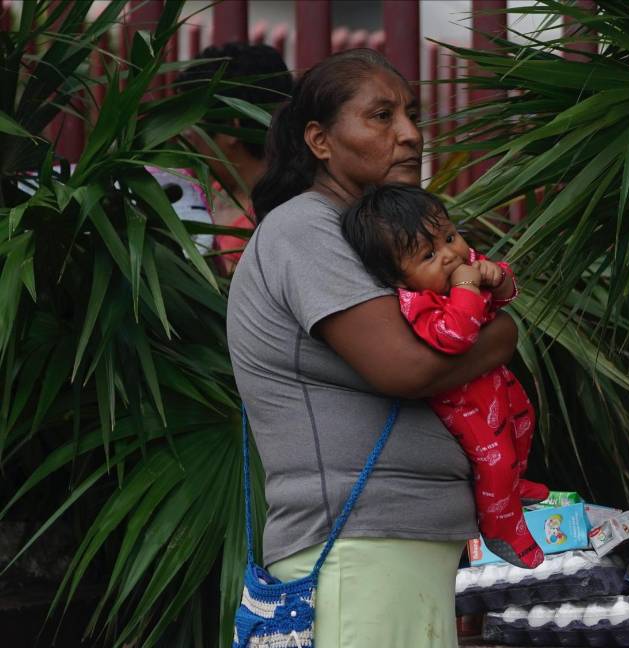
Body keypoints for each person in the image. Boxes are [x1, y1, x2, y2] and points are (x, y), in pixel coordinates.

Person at [228, 49, 519, 647]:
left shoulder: (365, 235)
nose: (410, 134)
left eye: (410, 114)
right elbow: (406, 367)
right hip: (356, 549)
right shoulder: (305, 228)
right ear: (320, 140)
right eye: (381, 116)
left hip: (395, 546)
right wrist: (504, 335)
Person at [341, 184, 548, 569]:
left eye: (450, 236)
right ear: (399, 278)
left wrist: (496, 277)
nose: (452, 255)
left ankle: (512, 488)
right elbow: (456, 336)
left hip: (495, 383)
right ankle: (502, 527)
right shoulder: (417, 302)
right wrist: (469, 285)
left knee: (523, 422)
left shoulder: (460, 268)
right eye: (429, 254)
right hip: (464, 402)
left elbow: (504, 295)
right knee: (495, 458)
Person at [177, 43, 292, 273]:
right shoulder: (199, 192)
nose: (183, 135)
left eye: (191, 124)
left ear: (231, 128)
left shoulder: (279, 223)